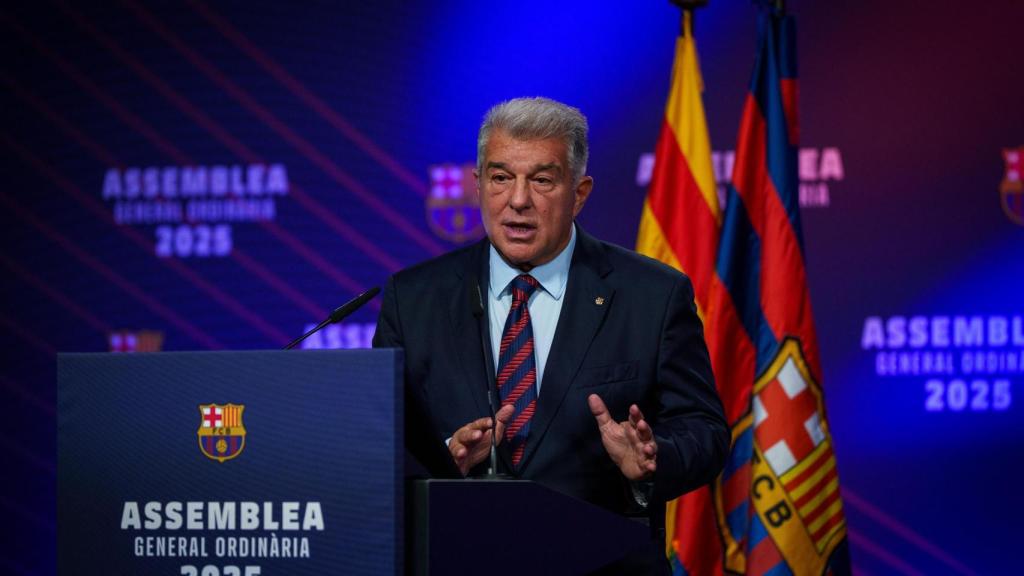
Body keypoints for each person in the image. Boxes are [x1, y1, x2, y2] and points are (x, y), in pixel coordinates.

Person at [373, 96, 728, 574]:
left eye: (542, 180)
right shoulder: (413, 299)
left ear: (579, 193)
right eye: (501, 178)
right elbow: (380, 445)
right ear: (478, 185)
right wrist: (443, 456)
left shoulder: (652, 295)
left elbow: (705, 430)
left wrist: (652, 458)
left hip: (604, 566)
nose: (518, 200)